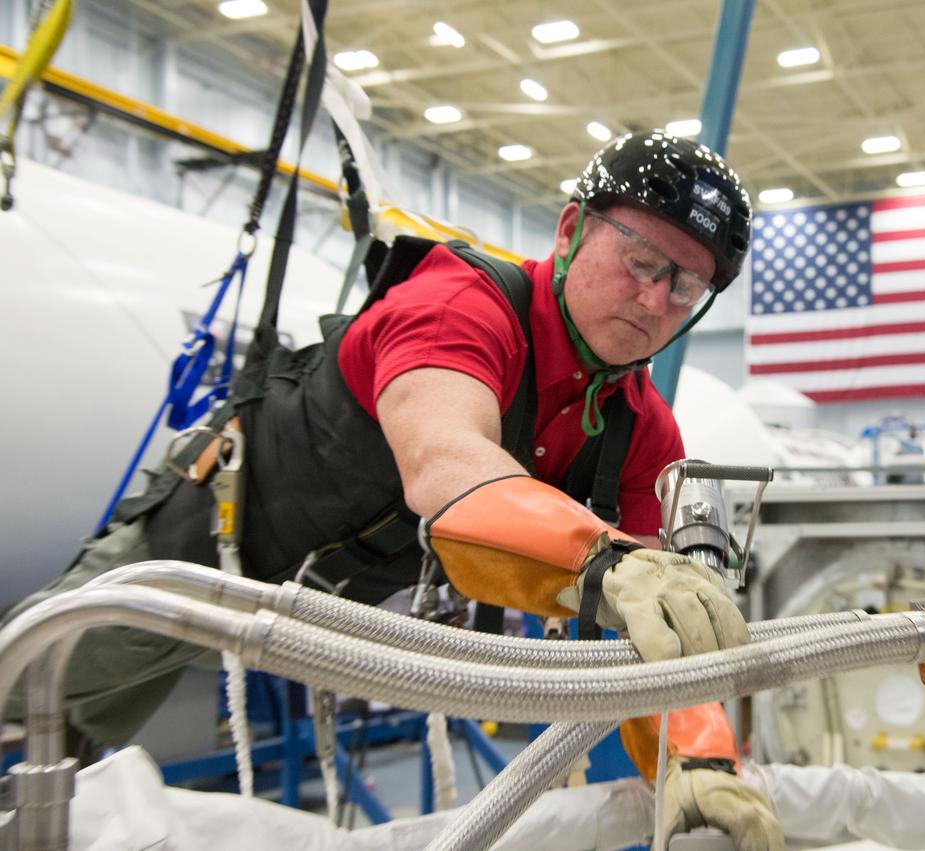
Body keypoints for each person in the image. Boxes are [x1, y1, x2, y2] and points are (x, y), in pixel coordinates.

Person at [6, 130, 783, 850]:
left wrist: (700, 761)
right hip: (209, 536)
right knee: (35, 707)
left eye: (687, 287)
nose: (655, 301)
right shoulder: (460, 306)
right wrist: (605, 558)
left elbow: (667, 642)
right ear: (570, 228)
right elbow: (446, 464)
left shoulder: (642, 428)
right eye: (644, 261)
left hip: (334, 599)